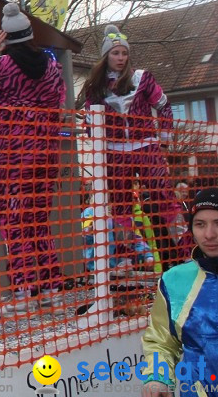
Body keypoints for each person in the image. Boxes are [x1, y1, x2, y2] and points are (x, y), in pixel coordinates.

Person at [0, 3, 65, 316]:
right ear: (30, 35)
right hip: (47, 151)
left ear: (4, 39)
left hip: (15, 153)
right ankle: (52, 290)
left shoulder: (1, 65)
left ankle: (22, 292)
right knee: (39, 221)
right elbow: (59, 102)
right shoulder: (52, 66)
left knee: (14, 222)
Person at [140, 188, 218, 396]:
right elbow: (162, 341)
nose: (209, 235)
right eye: (200, 225)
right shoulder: (174, 281)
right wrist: (158, 377)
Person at [79, 24, 183, 269]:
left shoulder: (142, 78)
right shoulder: (95, 86)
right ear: (106, 56)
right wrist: (96, 141)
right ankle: (125, 255)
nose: (121, 58)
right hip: (115, 151)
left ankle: (184, 245)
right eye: (116, 53)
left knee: (163, 196)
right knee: (120, 204)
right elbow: (89, 121)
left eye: (124, 53)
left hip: (146, 146)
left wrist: (165, 138)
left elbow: (164, 105)